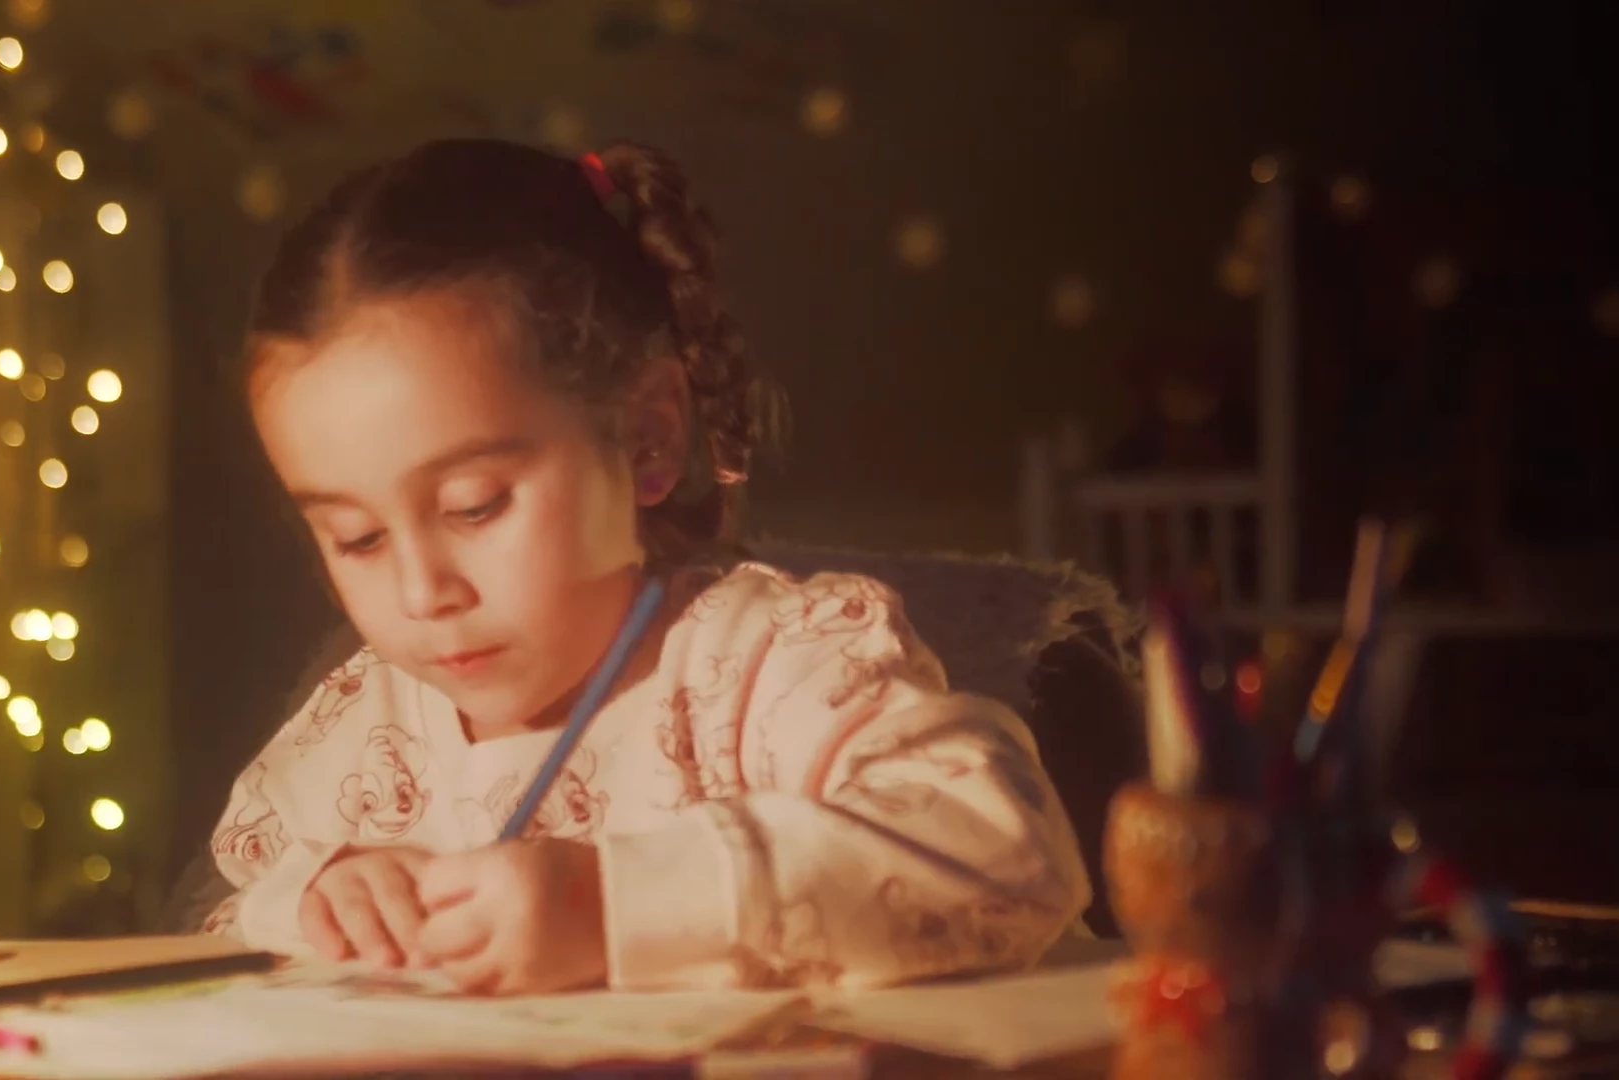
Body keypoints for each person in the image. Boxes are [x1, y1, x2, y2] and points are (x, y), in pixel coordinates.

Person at [203, 138, 1091, 995]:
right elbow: (229, 919)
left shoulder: (768, 670)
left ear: (648, 437)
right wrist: (318, 898)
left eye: (474, 506)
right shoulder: (360, 728)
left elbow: (1008, 858)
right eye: (357, 537)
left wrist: (611, 908)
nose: (422, 593)